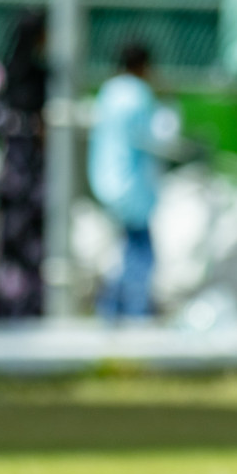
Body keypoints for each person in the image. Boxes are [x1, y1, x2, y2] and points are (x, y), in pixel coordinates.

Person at [89, 42, 169, 319]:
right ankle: (130, 314)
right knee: (138, 255)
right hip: (133, 185)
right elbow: (153, 138)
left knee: (119, 249)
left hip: (104, 180)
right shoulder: (138, 94)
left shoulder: (109, 91)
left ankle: (111, 310)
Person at [0, 10, 48, 318]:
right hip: (30, 175)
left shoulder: (2, 73)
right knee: (31, 241)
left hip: (12, 173)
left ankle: (13, 303)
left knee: (13, 242)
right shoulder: (38, 77)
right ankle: (26, 305)